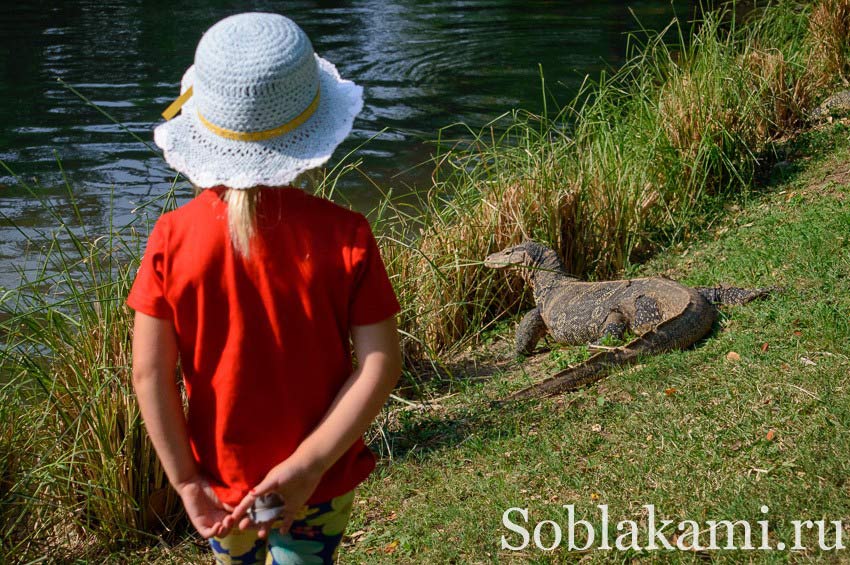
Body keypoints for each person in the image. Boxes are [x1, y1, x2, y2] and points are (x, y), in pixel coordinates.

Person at [126, 12, 402, 564]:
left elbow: (150, 374)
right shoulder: (346, 235)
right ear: (309, 127)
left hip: (218, 487)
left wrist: (184, 482)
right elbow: (380, 363)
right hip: (314, 484)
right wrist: (307, 465)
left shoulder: (170, 240)